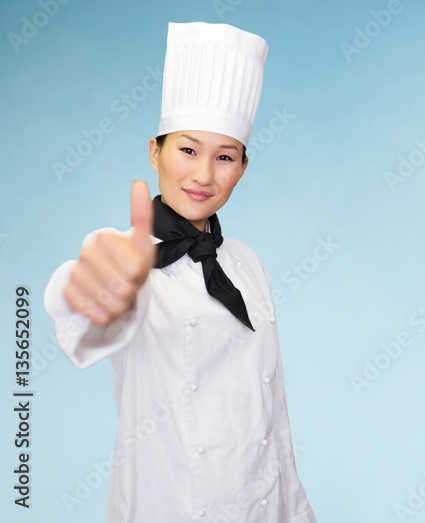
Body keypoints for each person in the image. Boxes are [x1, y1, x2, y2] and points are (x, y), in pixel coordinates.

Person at [43, 21, 316, 523]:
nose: (204, 175)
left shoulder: (247, 263)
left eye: (225, 157)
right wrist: (97, 292)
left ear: (243, 167)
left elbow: (274, 421)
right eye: (188, 149)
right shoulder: (127, 256)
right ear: (156, 152)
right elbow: (83, 310)